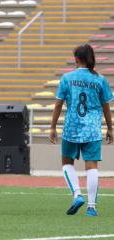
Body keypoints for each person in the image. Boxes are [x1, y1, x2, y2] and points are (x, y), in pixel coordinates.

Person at [50, 44, 113, 217]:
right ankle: (91, 207)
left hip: (71, 127)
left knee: (67, 162)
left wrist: (53, 127)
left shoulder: (67, 78)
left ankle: (77, 194)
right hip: (92, 129)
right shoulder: (100, 79)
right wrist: (110, 128)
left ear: (76, 59)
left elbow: (58, 104)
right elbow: (106, 106)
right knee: (92, 166)